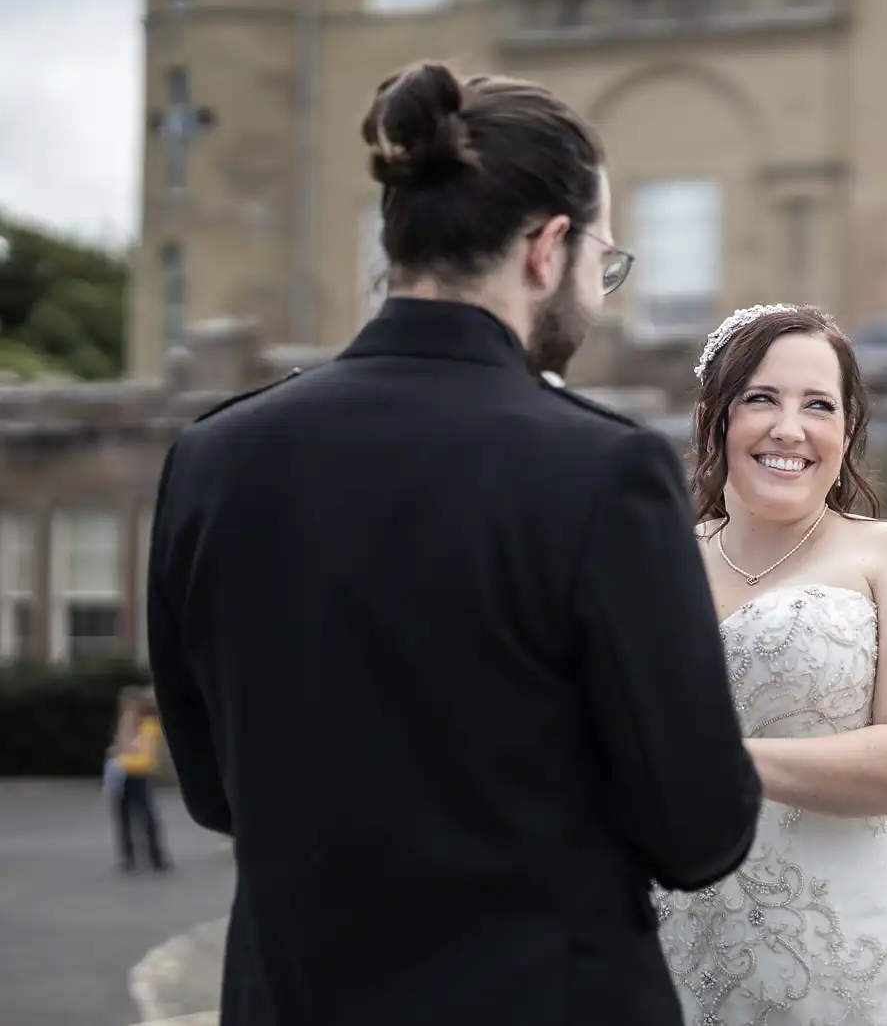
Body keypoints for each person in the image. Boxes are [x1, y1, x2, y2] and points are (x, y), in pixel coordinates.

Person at [147, 61, 761, 1026]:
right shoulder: (604, 470)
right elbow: (700, 829)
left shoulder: (212, 456)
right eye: (605, 259)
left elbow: (218, 792)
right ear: (546, 248)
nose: (601, 291)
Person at [656, 303, 887, 1025]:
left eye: (818, 405)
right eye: (761, 399)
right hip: (675, 950)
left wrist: (721, 761)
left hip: (860, 957)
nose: (788, 428)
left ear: (846, 430)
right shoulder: (654, 560)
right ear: (714, 418)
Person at [107, 686, 171, 874]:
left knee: (147, 816)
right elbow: (119, 748)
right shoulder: (124, 723)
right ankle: (128, 858)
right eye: (125, 705)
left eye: (132, 704)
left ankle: (156, 857)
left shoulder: (149, 725)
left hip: (140, 773)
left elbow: (137, 748)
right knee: (123, 817)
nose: (128, 708)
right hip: (122, 773)